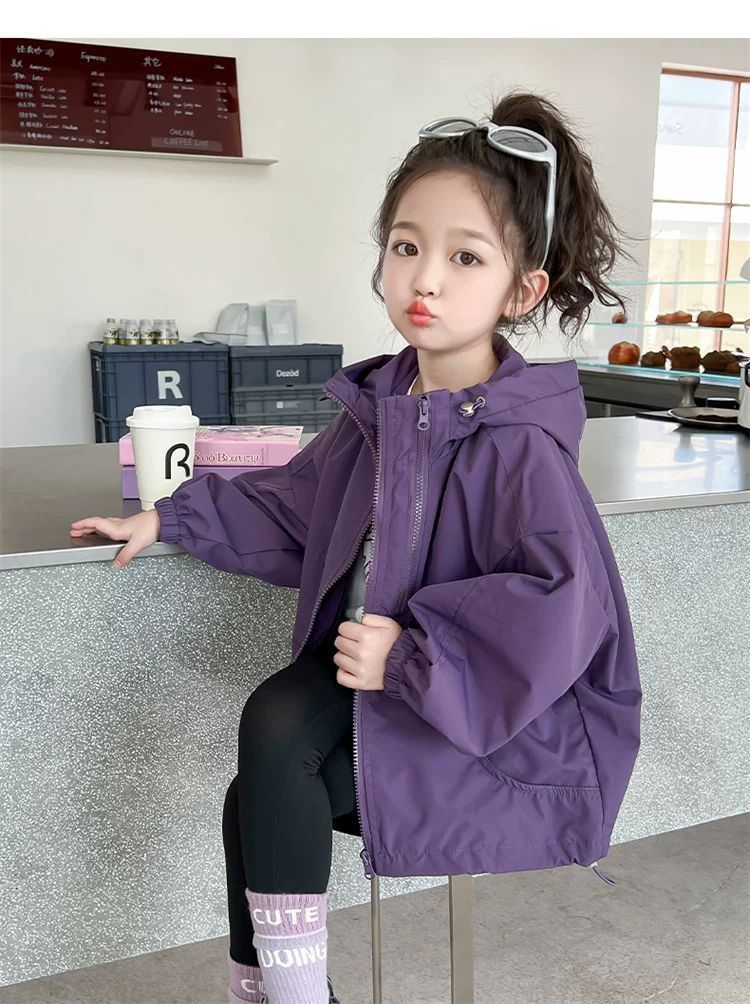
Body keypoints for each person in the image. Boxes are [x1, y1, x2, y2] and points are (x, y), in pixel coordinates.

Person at [70, 89, 643, 1004]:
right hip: (368, 684)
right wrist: (168, 517)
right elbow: (295, 507)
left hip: (480, 721)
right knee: (262, 780)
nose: (426, 279)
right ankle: (275, 992)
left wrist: (409, 656)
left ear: (522, 290)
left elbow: (560, 612)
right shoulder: (381, 404)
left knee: (272, 742)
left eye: (466, 257)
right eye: (407, 246)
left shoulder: (520, 446)